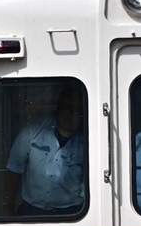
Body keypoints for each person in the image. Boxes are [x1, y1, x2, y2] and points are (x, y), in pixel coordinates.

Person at [5, 87, 85, 215]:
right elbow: (14, 167)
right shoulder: (34, 130)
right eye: (66, 109)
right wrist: (9, 205)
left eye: (76, 112)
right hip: (31, 210)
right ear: (58, 108)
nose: (70, 115)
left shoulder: (88, 143)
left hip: (72, 213)